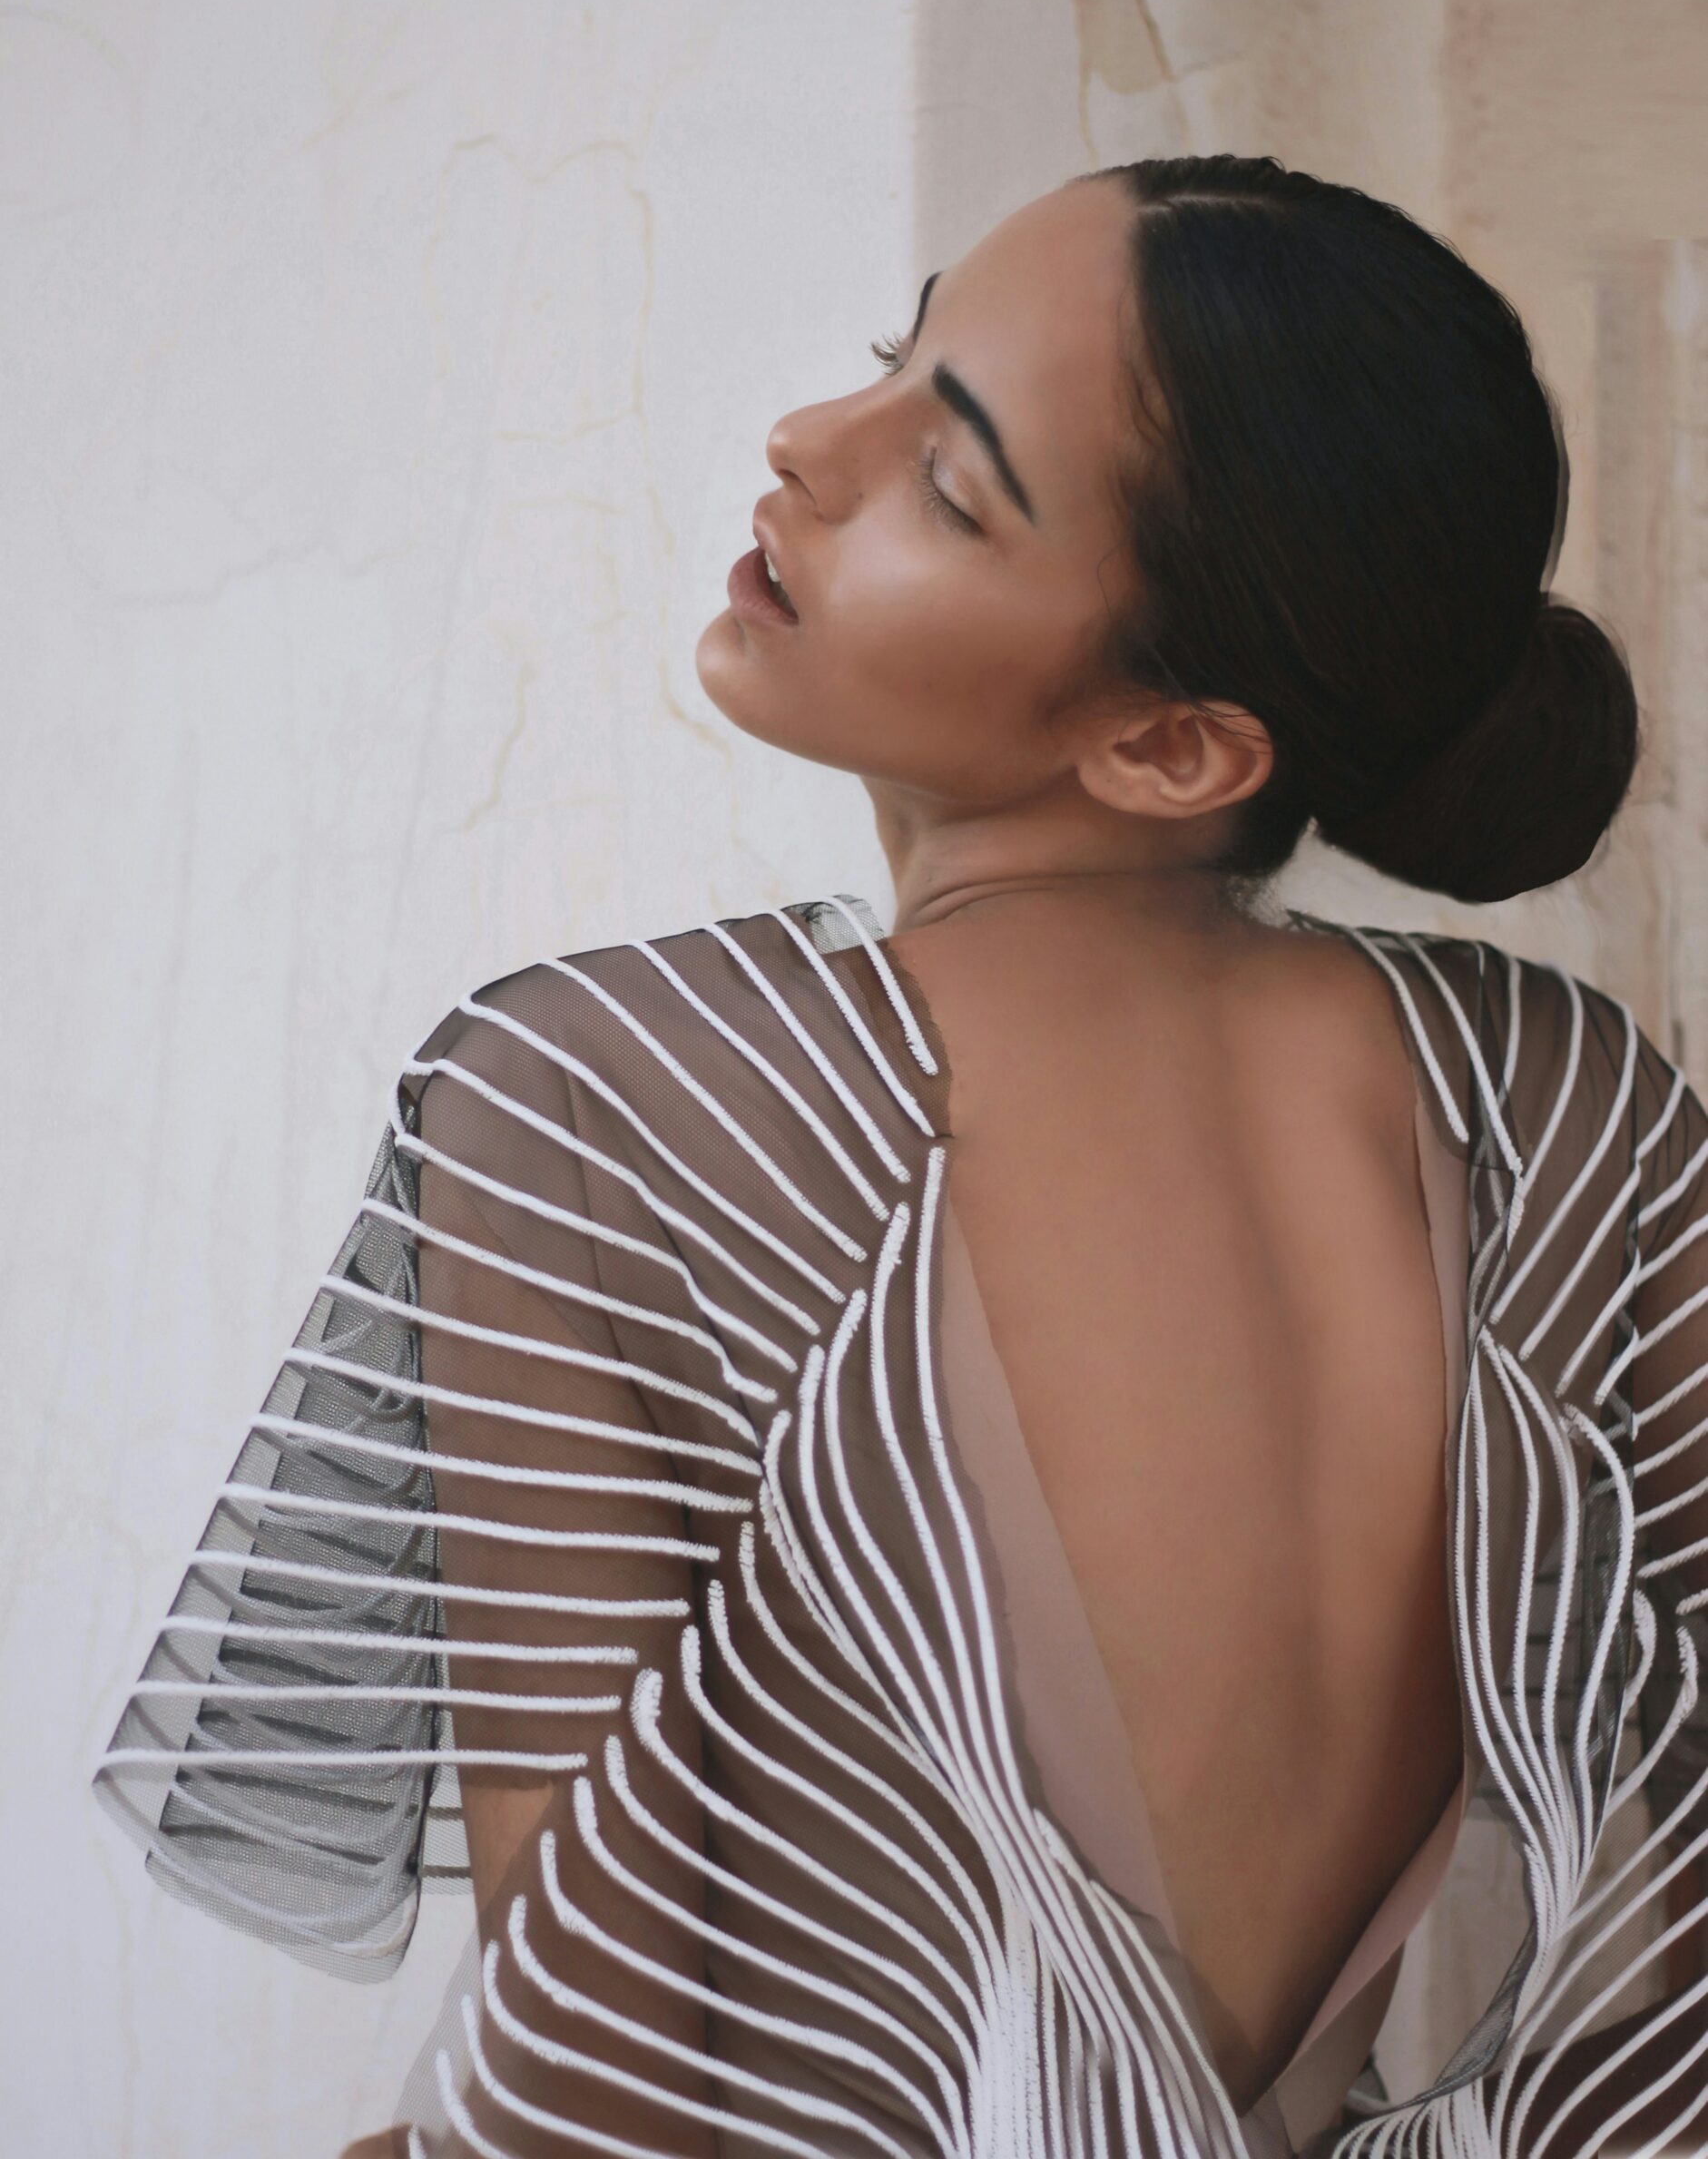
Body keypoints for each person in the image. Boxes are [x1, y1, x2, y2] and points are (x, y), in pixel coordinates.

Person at [94, 156, 1708, 2158]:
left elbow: (590, 2073)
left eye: (949, 480)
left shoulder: (592, 1092)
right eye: (892, 353)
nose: (807, 439)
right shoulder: (1567, 1104)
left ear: (1173, 745)